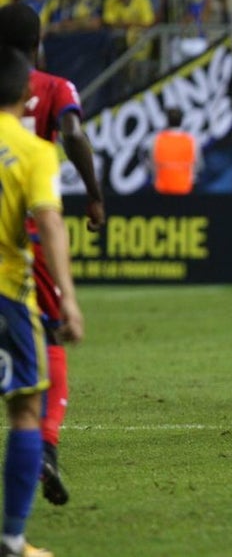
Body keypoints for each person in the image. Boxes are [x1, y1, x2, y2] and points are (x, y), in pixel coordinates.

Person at [0, 3, 103, 510]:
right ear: (38, 43)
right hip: (26, 233)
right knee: (51, 335)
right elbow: (74, 133)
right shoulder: (55, 87)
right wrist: (95, 194)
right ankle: (46, 444)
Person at [0, 45, 84, 557]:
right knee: (26, 410)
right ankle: (12, 539)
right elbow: (49, 221)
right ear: (26, 91)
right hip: (8, 295)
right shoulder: (34, 151)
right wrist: (68, 298)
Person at [147, 108, 200, 194]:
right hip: (184, 187)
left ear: (167, 121)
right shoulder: (190, 140)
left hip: (163, 187)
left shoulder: (157, 140)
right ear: (181, 121)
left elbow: (151, 163)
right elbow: (197, 165)